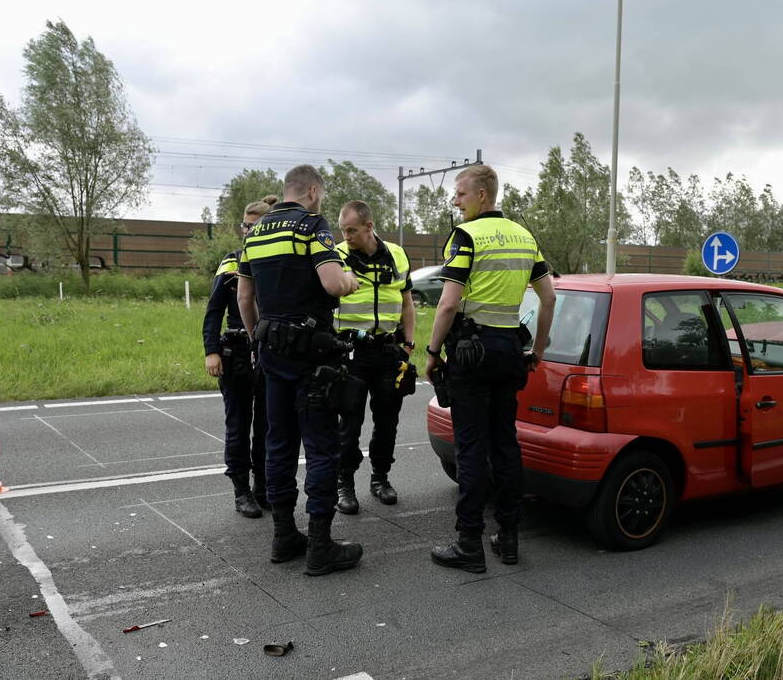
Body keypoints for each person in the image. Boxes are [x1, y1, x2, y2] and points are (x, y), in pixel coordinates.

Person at [425, 165, 555, 573]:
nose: (455, 200)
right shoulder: (524, 235)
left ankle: (469, 546)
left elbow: (447, 304)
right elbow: (548, 298)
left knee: (470, 449)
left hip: (470, 353)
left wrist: (431, 353)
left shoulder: (466, 236)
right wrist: (537, 348)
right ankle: (509, 538)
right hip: (508, 353)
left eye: (460, 193)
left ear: (483, 195)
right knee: (505, 445)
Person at [236, 164, 365, 577]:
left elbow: (244, 297)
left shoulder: (255, 232)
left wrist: (259, 336)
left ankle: (283, 536)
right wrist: (349, 280)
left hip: (272, 354)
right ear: (312, 190)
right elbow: (331, 283)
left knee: (279, 447)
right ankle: (321, 546)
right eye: (321, 196)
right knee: (322, 447)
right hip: (313, 358)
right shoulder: (312, 225)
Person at [333, 200, 416, 514]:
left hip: (387, 350)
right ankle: (345, 483)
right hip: (351, 352)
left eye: (352, 229)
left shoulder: (396, 254)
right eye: (343, 229)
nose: (346, 235)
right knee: (349, 422)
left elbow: (407, 302)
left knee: (387, 420)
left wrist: (408, 343)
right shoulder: (337, 255)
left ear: (369, 226)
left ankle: (380, 477)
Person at [202, 197, 273, 518]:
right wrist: (211, 351)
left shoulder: (275, 264)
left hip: (268, 353)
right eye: (245, 226)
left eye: (254, 226)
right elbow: (214, 310)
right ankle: (241, 491)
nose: (247, 231)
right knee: (238, 424)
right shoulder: (232, 262)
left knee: (267, 426)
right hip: (236, 352)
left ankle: (263, 487)